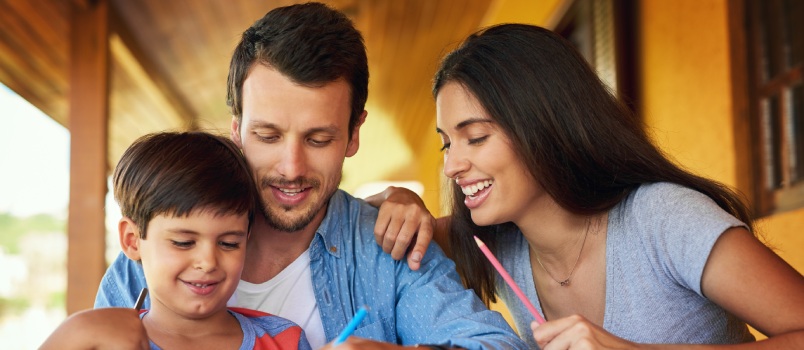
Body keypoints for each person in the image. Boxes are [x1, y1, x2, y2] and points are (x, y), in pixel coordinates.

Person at [94, 3, 526, 350]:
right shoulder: (150, 261)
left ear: (354, 134)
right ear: (236, 129)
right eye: (267, 136)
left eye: (318, 139)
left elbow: (496, 344)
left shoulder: (388, 250)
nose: (292, 168)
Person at [418, 23, 804, 349]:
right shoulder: (494, 240)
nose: (452, 166)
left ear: (543, 125)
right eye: (446, 143)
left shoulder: (665, 218)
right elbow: (385, 233)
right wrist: (401, 201)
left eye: (477, 137)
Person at [42, 131, 311, 350]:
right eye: (183, 242)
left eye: (229, 243)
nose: (207, 262)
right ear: (132, 240)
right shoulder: (102, 343)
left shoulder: (285, 341)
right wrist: (74, 332)